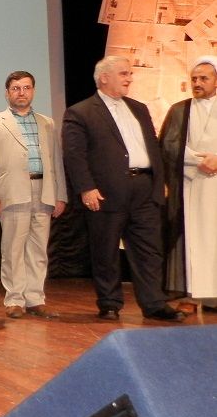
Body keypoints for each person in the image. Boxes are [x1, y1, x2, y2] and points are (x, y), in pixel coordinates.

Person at [62, 55, 184, 322]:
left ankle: (154, 303)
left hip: (144, 188)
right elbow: (74, 155)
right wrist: (86, 188)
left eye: (129, 73)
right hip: (106, 192)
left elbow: (152, 146)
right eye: (124, 73)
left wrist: (159, 181)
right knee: (105, 250)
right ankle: (109, 303)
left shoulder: (139, 108)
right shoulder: (81, 112)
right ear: (104, 77)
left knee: (149, 250)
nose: (130, 78)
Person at [0, 71, 67, 319]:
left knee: (38, 250)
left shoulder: (47, 123)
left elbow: (56, 161)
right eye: (16, 88)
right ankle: (15, 299)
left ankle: (35, 299)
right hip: (12, 192)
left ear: (33, 91)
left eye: (26, 88)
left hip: (44, 191)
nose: (21, 93)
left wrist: (60, 194)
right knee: (13, 249)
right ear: (7, 93)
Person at [161, 55, 217, 310]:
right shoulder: (180, 110)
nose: (197, 83)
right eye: (194, 79)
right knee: (194, 240)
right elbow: (168, 145)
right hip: (191, 184)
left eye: (203, 78)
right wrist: (198, 161)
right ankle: (191, 296)